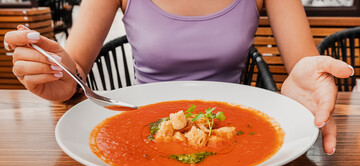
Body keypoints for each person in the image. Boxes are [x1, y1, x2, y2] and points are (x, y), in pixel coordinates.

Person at [4, 0, 354, 155]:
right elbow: (75, 68)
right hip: (136, 134)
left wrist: (306, 79)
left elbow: (303, 64)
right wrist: (64, 78)